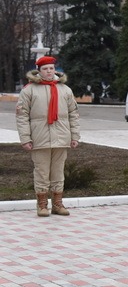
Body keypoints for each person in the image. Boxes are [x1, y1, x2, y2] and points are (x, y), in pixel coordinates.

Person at [16, 55, 81, 217]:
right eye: (45, 69)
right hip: (40, 138)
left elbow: (73, 114)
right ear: (39, 71)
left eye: (51, 68)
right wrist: (25, 138)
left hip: (61, 136)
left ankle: (58, 204)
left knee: (58, 172)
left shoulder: (65, 90)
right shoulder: (29, 90)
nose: (49, 71)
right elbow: (22, 116)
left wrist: (75, 136)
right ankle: (42, 204)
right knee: (42, 172)